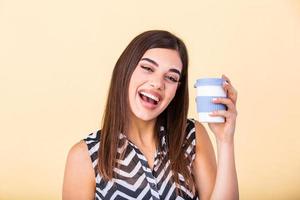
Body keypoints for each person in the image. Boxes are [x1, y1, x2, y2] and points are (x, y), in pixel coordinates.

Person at [62, 30, 239, 200]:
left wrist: (225, 140)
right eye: (147, 68)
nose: (157, 84)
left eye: (170, 78)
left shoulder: (192, 136)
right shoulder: (84, 157)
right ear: (125, 70)